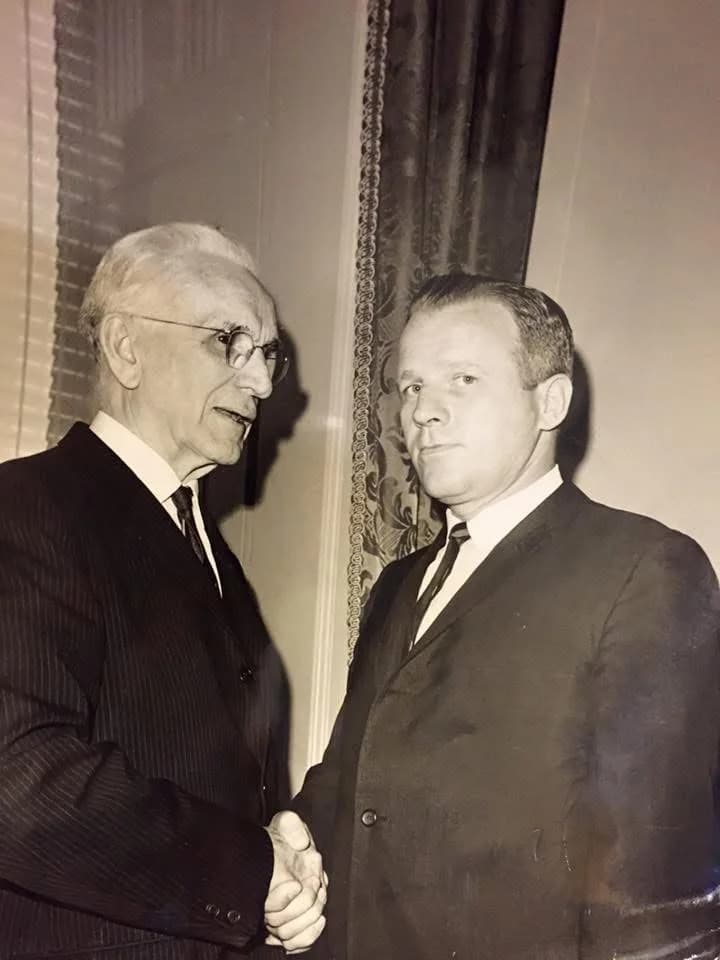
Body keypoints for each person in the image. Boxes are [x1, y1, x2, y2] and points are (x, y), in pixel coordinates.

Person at [288, 274, 720, 959]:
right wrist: (291, 837)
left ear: (549, 400)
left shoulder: (645, 569)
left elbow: (656, 895)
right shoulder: (399, 583)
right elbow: (351, 776)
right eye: (410, 386)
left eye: (462, 379)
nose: (423, 411)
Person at [0, 223, 325, 958]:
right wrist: (251, 870)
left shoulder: (212, 553)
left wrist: (275, 861)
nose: (263, 382)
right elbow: (16, 776)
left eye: (267, 355)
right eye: (227, 342)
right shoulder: (23, 509)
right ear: (126, 349)